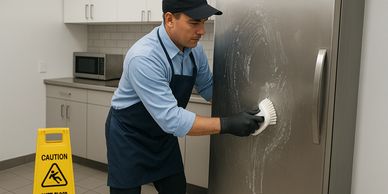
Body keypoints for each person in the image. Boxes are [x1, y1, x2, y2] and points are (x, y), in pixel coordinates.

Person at [105, 0, 264, 193]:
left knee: (176, 189)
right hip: (129, 135)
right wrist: (228, 124)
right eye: (195, 23)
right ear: (170, 19)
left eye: (204, 22)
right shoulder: (144, 57)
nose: (202, 31)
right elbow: (172, 119)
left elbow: (208, 88)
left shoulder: (194, 51)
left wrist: (245, 105)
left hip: (162, 137)